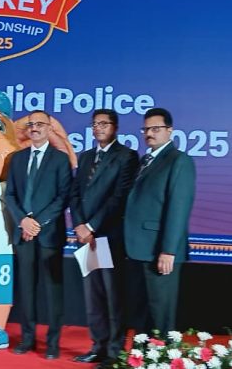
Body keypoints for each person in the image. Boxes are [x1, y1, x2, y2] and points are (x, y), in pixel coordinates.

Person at [69, 109, 139, 367]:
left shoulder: (126, 156)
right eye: (95, 124)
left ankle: (114, 352)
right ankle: (98, 346)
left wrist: (91, 226)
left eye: (104, 124)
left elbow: (118, 198)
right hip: (86, 238)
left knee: (113, 296)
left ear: (115, 127)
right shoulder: (86, 156)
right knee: (94, 296)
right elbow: (75, 194)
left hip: (108, 236)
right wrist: (79, 225)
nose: (98, 128)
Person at [5, 110, 72, 360]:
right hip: (23, 234)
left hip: (49, 235)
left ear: (49, 128)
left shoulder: (61, 159)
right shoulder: (17, 159)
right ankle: (27, 338)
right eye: (31, 124)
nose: (34, 128)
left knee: (53, 292)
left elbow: (63, 197)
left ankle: (53, 343)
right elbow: (10, 194)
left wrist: (37, 223)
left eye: (40, 124)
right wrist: (23, 221)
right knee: (27, 290)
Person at [124, 107, 195, 336]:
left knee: (160, 314)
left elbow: (178, 208)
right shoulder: (146, 160)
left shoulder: (179, 160)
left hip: (159, 251)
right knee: (142, 314)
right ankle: (142, 354)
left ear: (169, 130)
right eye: (146, 129)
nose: (149, 134)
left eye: (155, 129)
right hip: (139, 249)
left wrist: (168, 250)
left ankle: (163, 354)